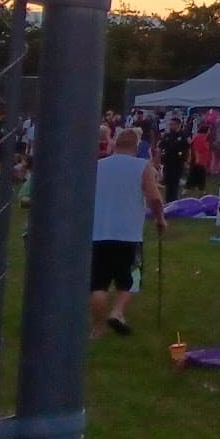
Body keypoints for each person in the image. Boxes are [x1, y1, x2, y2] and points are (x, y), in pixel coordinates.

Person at [89, 127, 164, 337]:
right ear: (136, 145)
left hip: (99, 230)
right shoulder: (142, 166)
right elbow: (155, 198)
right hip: (128, 232)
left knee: (98, 283)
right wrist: (160, 219)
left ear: (116, 144)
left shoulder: (98, 166)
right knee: (128, 278)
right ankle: (117, 311)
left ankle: (97, 327)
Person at [157, 117, 191, 204]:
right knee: (168, 182)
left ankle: (174, 201)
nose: (171, 126)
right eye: (170, 124)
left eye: (173, 124)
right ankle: (168, 201)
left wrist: (187, 161)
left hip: (178, 162)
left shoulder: (182, 136)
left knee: (175, 182)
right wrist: (158, 159)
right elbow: (160, 147)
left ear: (178, 125)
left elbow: (187, 149)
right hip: (167, 162)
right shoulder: (167, 136)